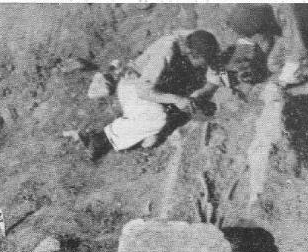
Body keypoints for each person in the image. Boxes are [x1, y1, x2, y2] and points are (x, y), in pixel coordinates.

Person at [77, 29, 223, 161]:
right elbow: (143, 91)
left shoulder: (197, 39)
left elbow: (214, 73)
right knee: (158, 117)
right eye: (203, 62)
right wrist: (177, 99)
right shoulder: (166, 53)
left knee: (160, 120)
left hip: (159, 84)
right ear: (191, 53)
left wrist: (202, 91)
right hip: (134, 86)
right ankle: (102, 138)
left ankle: (142, 127)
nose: (205, 65)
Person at [225, 4, 308, 87]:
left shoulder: (281, 13)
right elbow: (266, 42)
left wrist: (284, 77)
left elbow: (296, 52)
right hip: (291, 39)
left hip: (303, 34)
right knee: (273, 64)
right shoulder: (264, 18)